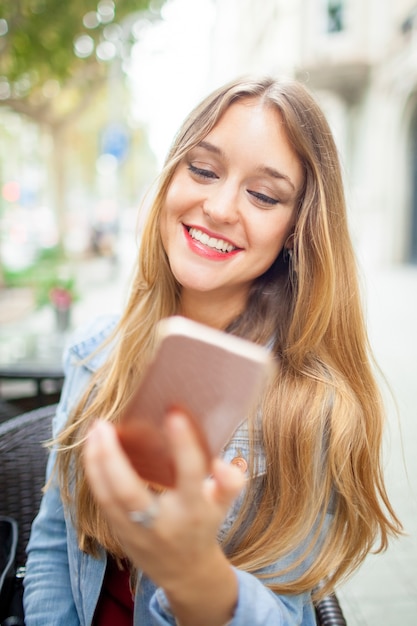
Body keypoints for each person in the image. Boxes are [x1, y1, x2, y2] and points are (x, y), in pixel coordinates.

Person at [23, 75, 402, 626]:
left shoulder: (311, 411)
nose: (220, 206)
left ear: (296, 229)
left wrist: (195, 578)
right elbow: (55, 545)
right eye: (203, 169)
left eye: (264, 195)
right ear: (171, 174)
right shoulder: (93, 354)